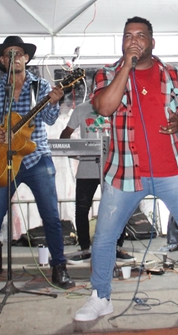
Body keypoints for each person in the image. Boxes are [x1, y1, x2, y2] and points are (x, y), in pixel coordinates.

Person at [74, 16, 178, 322]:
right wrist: (126, 67)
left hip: (174, 170)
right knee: (104, 237)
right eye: (128, 36)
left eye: (140, 35)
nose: (133, 40)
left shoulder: (174, 75)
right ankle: (100, 297)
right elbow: (104, 107)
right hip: (124, 172)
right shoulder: (107, 74)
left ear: (152, 42)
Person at [0, 35, 75, 291]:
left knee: (51, 216)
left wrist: (54, 102)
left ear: (26, 58)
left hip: (37, 159)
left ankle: (59, 268)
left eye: (18, 53)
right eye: (9, 54)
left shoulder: (41, 86)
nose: (14, 57)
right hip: (3, 161)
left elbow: (49, 120)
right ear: (3, 61)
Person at [60, 101, 134, 263]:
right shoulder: (81, 109)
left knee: (117, 206)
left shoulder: (117, 106)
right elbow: (65, 135)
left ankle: (116, 247)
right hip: (87, 166)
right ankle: (85, 249)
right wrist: (74, 151)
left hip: (112, 166)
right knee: (82, 208)